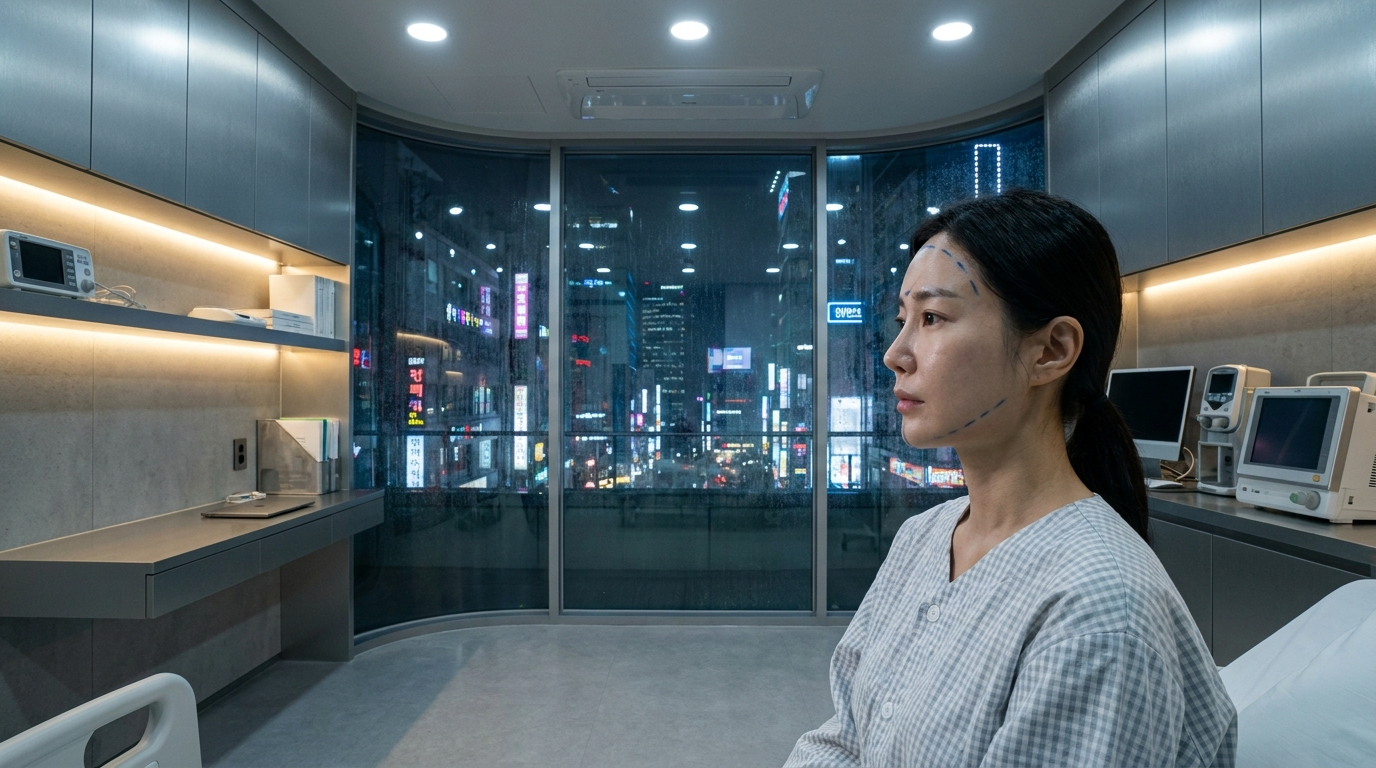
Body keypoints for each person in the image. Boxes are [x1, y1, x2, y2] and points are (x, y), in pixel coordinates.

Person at [785, 189, 1236, 767]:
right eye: (903, 320)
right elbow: (847, 734)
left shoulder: (1100, 612)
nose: (896, 353)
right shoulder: (924, 537)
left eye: (932, 318)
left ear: (1051, 350)